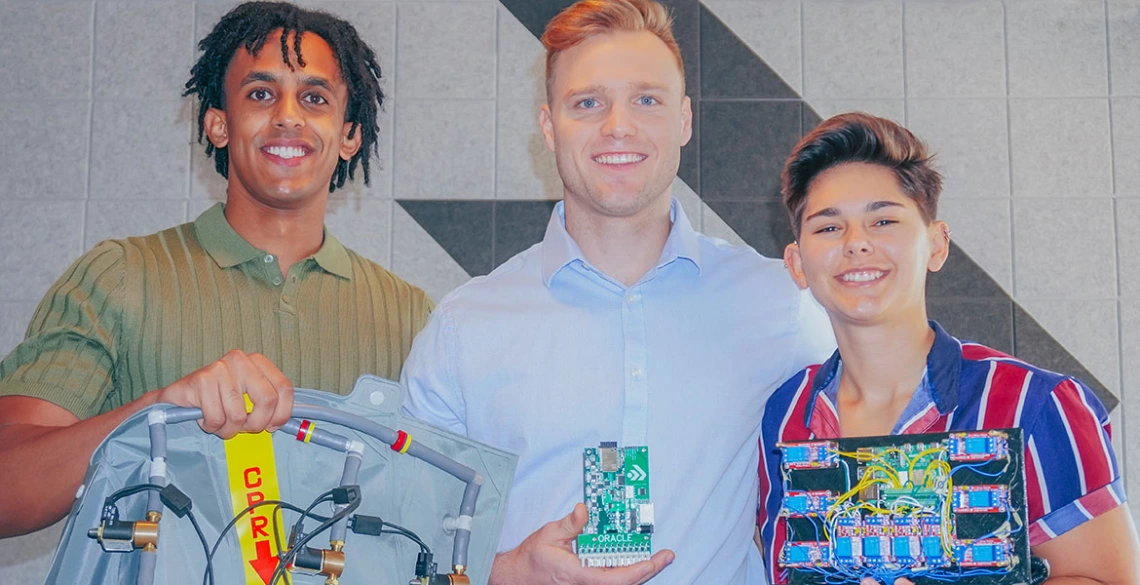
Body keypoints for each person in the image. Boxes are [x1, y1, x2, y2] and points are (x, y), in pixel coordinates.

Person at [400, 1, 834, 583]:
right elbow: (403, 543)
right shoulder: (465, 327)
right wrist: (505, 572)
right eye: (587, 103)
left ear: (684, 120)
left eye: (647, 99)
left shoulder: (780, 304)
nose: (618, 126)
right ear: (549, 126)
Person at [0, 1, 431, 538]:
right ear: (219, 124)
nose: (289, 115)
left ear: (350, 136)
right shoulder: (118, 276)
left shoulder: (414, 317)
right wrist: (155, 411)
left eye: (315, 98)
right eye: (260, 94)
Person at [756, 112, 1140, 584]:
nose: (857, 244)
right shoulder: (784, 414)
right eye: (829, 228)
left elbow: (1107, 578)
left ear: (936, 245)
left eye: (883, 220)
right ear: (796, 263)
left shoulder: (1036, 405)